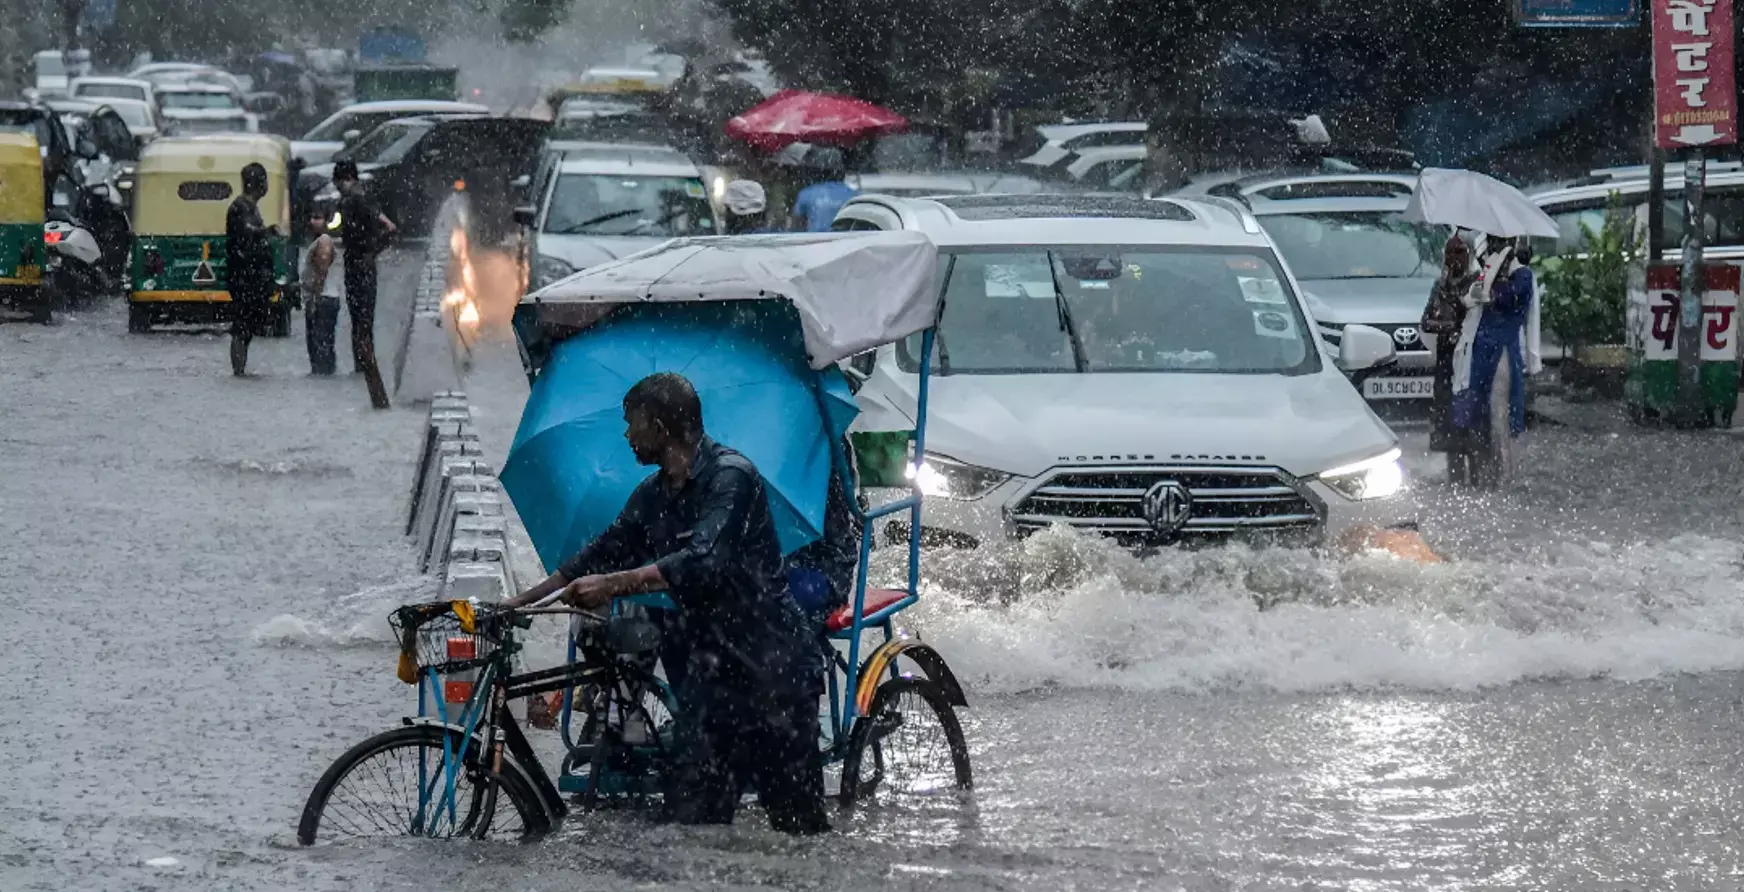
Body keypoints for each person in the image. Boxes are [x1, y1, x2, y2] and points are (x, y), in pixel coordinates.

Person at [504, 373, 831, 835]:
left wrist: (613, 586)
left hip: (772, 673)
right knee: (692, 830)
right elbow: (598, 554)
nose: (626, 435)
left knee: (799, 836)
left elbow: (702, 560)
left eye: (631, 424)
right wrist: (520, 603)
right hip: (714, 683)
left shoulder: (731, 478)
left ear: (659, 427)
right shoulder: (652, 495)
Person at [1450, 235, 1535, 489]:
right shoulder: (1486, 270)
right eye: (1492, 240)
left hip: (1502, 352)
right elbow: (1470, 298)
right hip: (1480, 352)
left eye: (1499, 241)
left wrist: (1491, 291)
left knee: (1501, 415)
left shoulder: (1522, 276)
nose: (1494, 245)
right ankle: (1484, 473)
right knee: (1479, 411)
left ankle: (1504, 475)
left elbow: (1511, 298)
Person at [333, 160, 395, 409]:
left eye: (338, 183)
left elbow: (390, 228)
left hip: (360, 266)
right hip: (360, 265)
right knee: (361, 319)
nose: (337, 188)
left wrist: (369, 252)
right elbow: (387, 225)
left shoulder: (356, 200)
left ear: (345, 178)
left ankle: (365, 370)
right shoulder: (359, 199)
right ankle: (363, 370)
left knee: (361, 320)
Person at [1421, 234, 1477, 461]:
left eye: (1460, 252)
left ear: (1469, 255)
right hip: (1446, 358)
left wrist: (1455, 324)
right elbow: (1426, 320)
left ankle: (1474, 475)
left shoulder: (1475, 283)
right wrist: (1449, 325)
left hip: (1467, 356)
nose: (1454, 258)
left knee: (1468, 414)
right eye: (1450, 252)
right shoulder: (1440, 285)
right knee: (1445, 411)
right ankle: (1453, 480)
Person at [225, 162, 279, 377]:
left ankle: (241, 369)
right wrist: (265, 232)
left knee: (247, 328)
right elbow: (247, 233)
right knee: (241, 327)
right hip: (243, 278)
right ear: (260, 184)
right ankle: (239, 371)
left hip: (252, 278)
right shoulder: (239, 207)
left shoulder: (250, 207)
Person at [300, 205, 344, 375]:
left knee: (320, 346)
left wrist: (314, 297)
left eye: (318, 218)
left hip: (323, 299)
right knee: (320, 345)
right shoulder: (318, 241)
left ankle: (324, 375)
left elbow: (322, 268)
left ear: (326, 221)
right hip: (324, 299)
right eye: (312, 217)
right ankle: (324, 376)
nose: (313, 221)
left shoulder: (324, 240)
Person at [789, 155, 856, 233]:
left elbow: (795, 225)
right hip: (846, 242)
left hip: (815, 242)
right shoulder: (854, 195)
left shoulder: (807, 193)